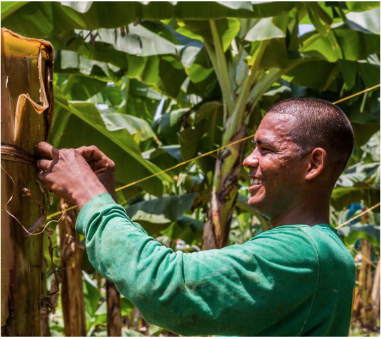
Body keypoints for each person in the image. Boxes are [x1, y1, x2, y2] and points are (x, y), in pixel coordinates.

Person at [36, 98, 355, 336]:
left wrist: (88, 194)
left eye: (266, 149)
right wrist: (102, 199)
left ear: (314, 164)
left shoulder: (301, 252)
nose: (247, 160)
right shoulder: (325, 251)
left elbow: (167, 286)